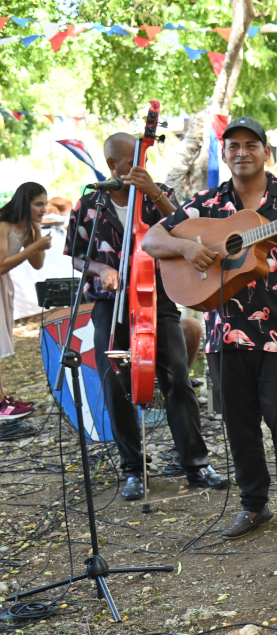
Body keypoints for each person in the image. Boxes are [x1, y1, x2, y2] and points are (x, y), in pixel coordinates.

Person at [143, 117, 277, 538]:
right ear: (225, 153)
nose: (241, 152)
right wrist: (186, 246)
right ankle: (254, 505)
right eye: (232, 145)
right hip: (223, 335)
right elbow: (152, 241)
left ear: (265, 151)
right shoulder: (208, 204)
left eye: (251, 144)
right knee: (239, 424)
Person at [64, 134, 228, 500]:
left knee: (177, 380)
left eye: (143, 160)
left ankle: (197, 464)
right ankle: (132, 468)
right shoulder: (90, 202)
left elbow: (184, 226)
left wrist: (154, 192)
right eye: (130, 161)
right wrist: (99, 269)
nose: (140, 168)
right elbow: (75, 255)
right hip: (110, 303)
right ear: (112, 165)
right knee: (115, 383)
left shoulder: (158, 194)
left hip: (158, 298)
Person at [0, 182, 51, 418]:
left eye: (45, 204)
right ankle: (1, 405)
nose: (44, 208)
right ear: (24, 203)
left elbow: (37, 263)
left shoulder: (29, 229)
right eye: (38, 204)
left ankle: (2, 398)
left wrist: (37, 232)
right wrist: (35, 246)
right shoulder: (4, 225)